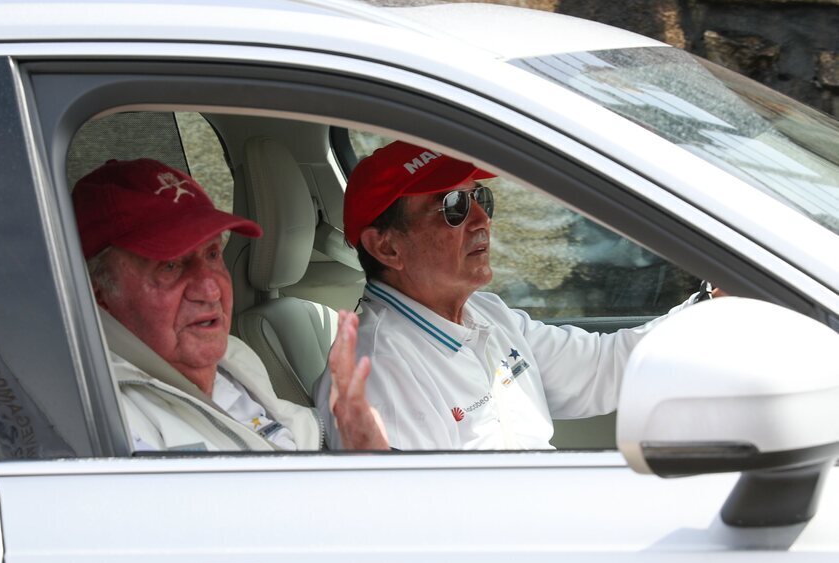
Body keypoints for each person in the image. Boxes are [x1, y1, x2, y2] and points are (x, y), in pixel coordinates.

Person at [316, 140, 701, 450]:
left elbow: (603, 368)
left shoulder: (485, 313)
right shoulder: (382, 366)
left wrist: (711, 308)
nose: (483, 219)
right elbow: (435, 519)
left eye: (479, 198)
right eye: (453, 206)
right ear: (387, 249)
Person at [73, 158, 387, 452]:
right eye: (169, 266)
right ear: (98, 291)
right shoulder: (104, 416)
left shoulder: (233, 359)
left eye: (212, 255)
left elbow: (303, 448)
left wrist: (361, 447)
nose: (210, 289)